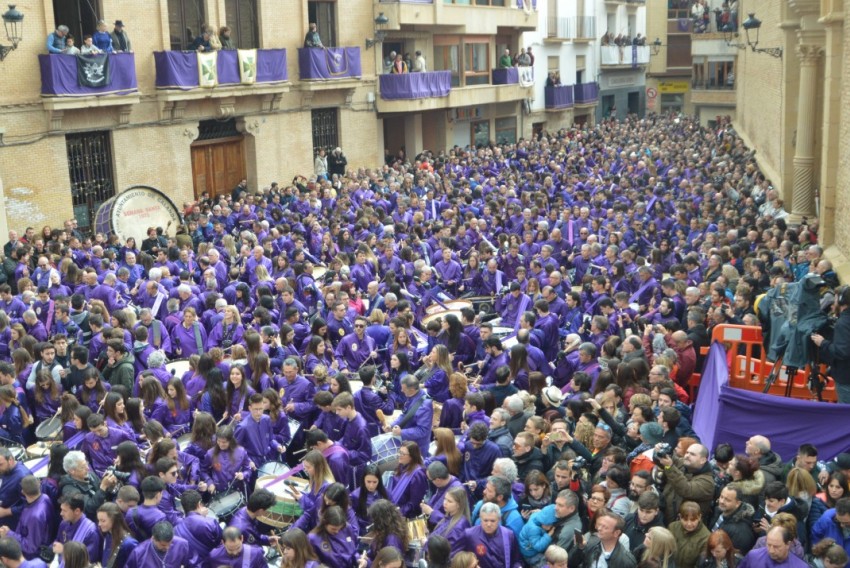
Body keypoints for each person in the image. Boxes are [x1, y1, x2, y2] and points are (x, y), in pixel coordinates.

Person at [812, 286, 850, 403]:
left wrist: (823, 343)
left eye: (836, 299)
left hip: (846, 378)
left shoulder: (843, 323)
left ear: (842, 301)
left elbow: (842, 352)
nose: (833, 303)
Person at [568, 510, 637, 568]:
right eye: (599, 525)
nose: (599, 529)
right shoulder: (590, 544)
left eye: (605, 527)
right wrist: (579, 548)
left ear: (616, 533)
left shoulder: (626, 561)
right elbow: (570, 564)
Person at [463, 502, 522, 568]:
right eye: (485, 520)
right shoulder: (469, 535)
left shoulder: (509, 535)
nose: (489, 524)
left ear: (499, 519)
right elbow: (460, 560)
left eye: (492, 521)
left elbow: (516, 560)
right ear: (480, 518)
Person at [124, 521, 191, 568]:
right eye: (163, 545)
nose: (167, 548)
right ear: (153, 538)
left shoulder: (182, 545)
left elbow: (190, 565)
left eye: (170, 543)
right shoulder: (138, 553)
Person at [737, 526, 808, 568]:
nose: (771, 550)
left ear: (788, 545)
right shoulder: (753, 556)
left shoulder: (800, 566)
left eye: (776, 547)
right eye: (768, 545)